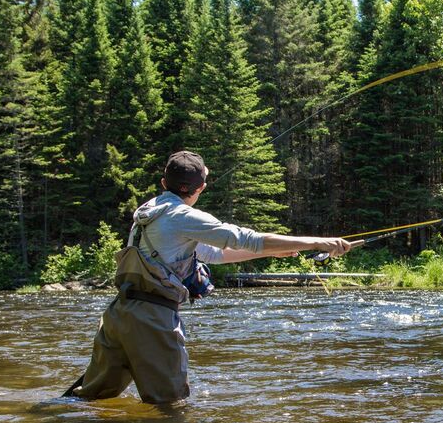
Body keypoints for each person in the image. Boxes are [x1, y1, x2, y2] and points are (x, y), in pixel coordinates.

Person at [63, 150, 352, 404]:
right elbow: (244, 238)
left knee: (90, 400)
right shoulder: (183, 217)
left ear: (164, 184)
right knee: (170, 408)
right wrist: (317, 242)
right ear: (201, 187)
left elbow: (212, 253)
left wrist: (268, 253)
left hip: (119, 315)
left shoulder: (150, 211)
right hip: (152, 320)